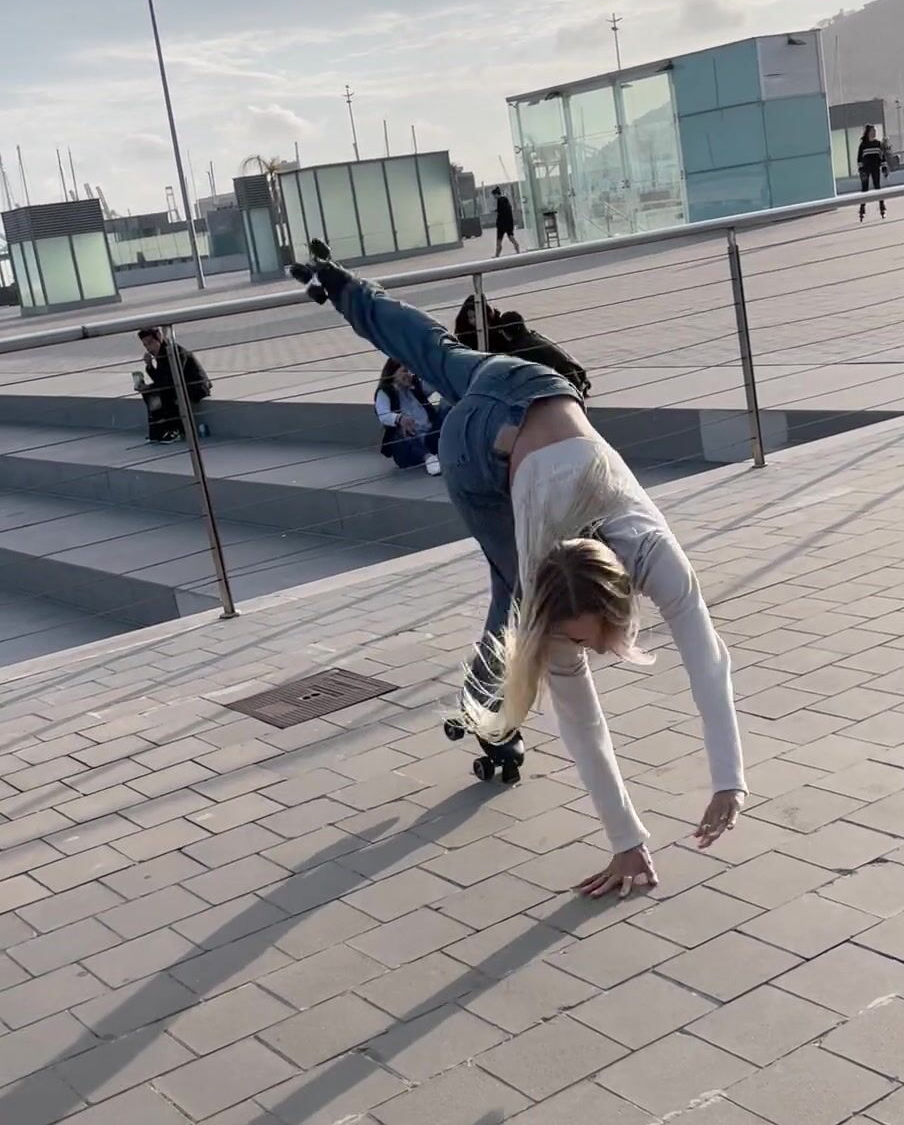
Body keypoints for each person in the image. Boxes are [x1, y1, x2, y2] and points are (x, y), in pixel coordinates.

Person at [291, 246, 746, 897]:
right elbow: (583, 722)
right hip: (476, 453)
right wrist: (627, 841)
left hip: (530, 386)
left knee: (432, 348)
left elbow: (708, 657)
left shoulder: (651, 549)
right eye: (582, 640)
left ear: (624, 596)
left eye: (591, 639)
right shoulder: (545, 586)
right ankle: (490, 716)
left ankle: (337, 284)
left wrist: (729, 779)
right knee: (513, 597)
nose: (592, 651)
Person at [454, 295, 591, 396]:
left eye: (476, 317)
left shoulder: (515, 341)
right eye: (471, 318)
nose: (475, 321)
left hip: (567, 384)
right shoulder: (466, 333)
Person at [135, 328, 210, 443]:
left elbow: (171, 380)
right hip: (179, 385)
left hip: (195, 387)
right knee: (151, 394)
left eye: (150, 343)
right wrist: (149, 366)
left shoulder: (173, 352)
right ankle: (158, 431)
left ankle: (175, 430)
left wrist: (150, 387)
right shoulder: (161, 354)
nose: (149, 348)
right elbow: (161, 379)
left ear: (159, 338)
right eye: (145, 345)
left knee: (164, 393)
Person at [375, 358, 443, 475]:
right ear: (393, 373)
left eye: (411, 371)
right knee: (401, 429)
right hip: (408, 447)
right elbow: (383, 415)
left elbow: (434, 384)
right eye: (405, 371)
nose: (409, 374)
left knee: (447, 407)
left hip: (428, 437)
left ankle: (439, 453)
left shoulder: (415, 387)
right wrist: (399, 418)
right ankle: (428, 458)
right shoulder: (385, 392)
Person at [856, 125, 888, 222]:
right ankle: (862, 210)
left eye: (875, 131)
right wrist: (861, 170)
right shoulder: (863, 145)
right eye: (872, 131)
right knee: (864, 189)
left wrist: (884, 167)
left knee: (877, 188)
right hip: (866, 169)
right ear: (868, 132)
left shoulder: (878, 144)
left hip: (875, 168)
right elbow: (859, 158)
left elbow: (882, 157)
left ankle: (882, 208)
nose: (874, 133)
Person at [492, 187, 520, 256]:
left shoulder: (499, 201)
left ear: (496, 194)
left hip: (502, 224)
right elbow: (506, 210)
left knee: (499, 240)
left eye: (494, 195)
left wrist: (497, 212)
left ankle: (497, 254)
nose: (494, 197)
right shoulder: (505, 200)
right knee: (510, 236)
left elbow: (501, 212)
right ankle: (517, 248)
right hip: (509, 222)